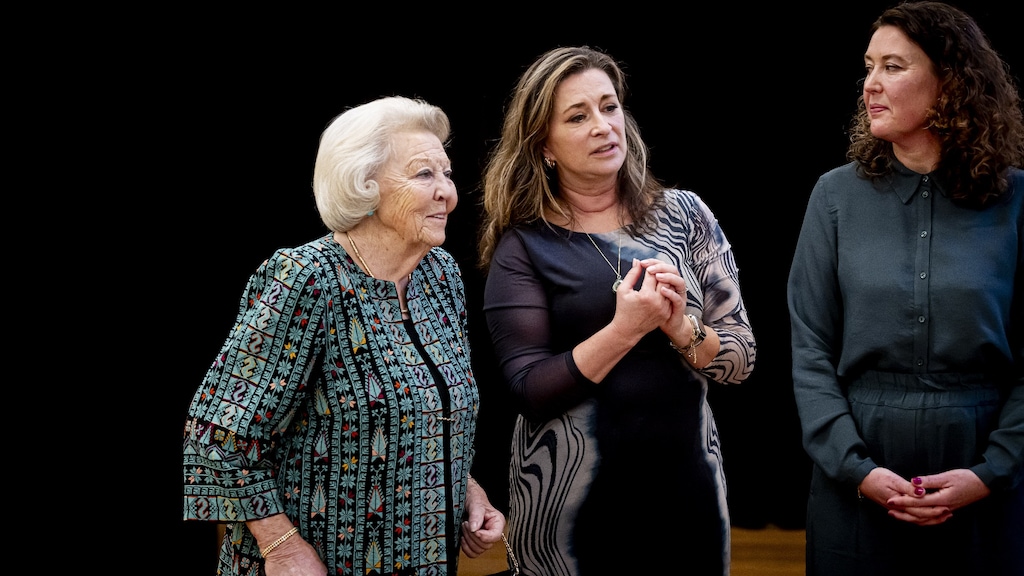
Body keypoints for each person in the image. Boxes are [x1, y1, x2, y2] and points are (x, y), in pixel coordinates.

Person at [182, 95, 505, 576]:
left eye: (447, 174)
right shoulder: (306, 279)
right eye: (424, 175)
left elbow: (427, 412)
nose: (448, 193)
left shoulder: (440, 275)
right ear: (364, 185)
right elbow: (216, 437)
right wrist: (282, 547)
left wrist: (466, 489)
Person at [477, 46, 757, 575]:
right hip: (570, 505)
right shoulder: (526, 244)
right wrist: (626, 329)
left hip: (688, 491)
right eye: (578, 117)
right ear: (544, 146)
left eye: (609, 107)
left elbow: (741, 361)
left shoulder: (685, 215)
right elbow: (529, 389)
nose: (603, 126)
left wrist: (679, 327)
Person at [787, 2, 1024, 575]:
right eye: (868, 66)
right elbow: (810, 348)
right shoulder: (834, 197)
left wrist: (991, 471)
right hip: (859, 468)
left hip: (983, 463)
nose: (870, 84)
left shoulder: (1016, 200)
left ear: (951, 84)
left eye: (893, 67)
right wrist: (856, 469)